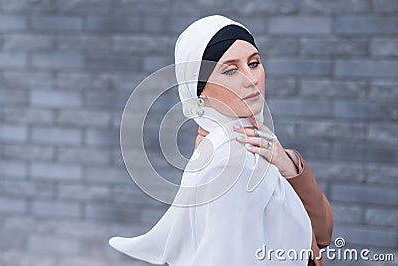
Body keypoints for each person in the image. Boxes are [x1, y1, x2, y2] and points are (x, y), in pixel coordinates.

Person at [109, 14, 333, 266]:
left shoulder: (257, 147)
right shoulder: (230, 163)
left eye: (254, 63)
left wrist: (289, 166)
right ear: (199, 91)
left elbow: (321, 236)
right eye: (230, 70)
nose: (251, 79)